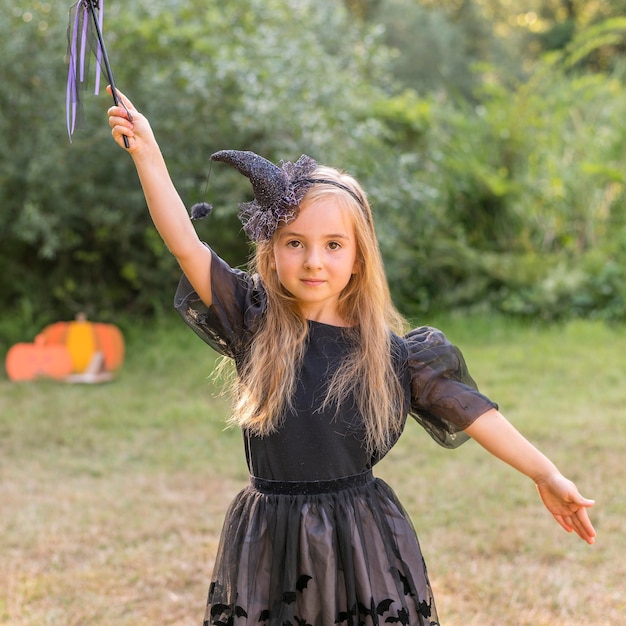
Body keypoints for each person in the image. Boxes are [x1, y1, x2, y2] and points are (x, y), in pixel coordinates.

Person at [107, 88, 596, 626]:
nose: (314, 260)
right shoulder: (253, 319)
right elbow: (184, 242)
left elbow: (475, 413)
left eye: (334, 245)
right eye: (295, 242)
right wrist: (147, 153)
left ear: (359, 257)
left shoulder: (392, 356)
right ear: (271, 249)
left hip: (361, 533)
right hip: (270, 530)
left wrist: (544, 473)